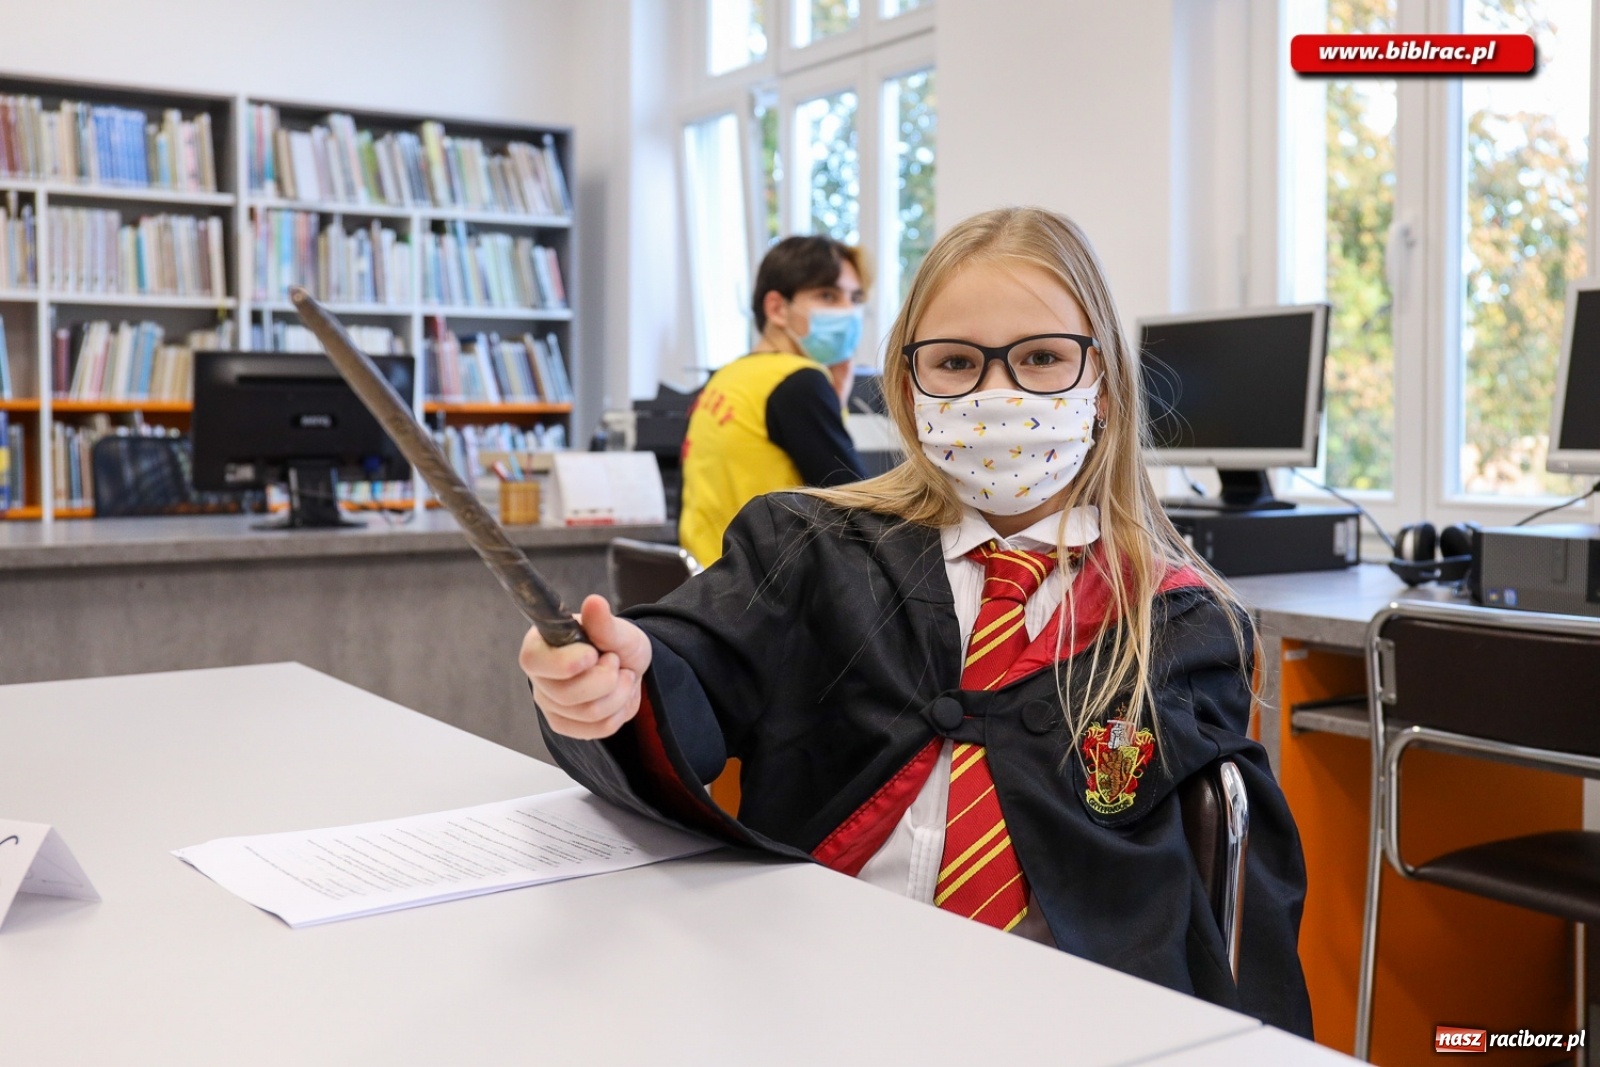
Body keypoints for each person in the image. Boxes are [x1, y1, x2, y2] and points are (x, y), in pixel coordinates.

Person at [521, 207, 1312, 1034]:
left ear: (1104, 385)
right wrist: (621, 677)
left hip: (1057, 1025)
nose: (997, 393)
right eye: (957, 362)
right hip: (808, 1000)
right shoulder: (812, 551)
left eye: (1042, 358)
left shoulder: (1179, 622)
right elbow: (690, 667)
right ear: (907, 387)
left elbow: (1224, 913)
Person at [678, 235, 870, 565]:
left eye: (855, 298)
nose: (848, 312)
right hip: (764, 594)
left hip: (707, 586)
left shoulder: (726, 378)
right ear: (777, 308)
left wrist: (832, 401)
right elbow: (860, 511)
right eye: (828, 295)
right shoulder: (798, 381)